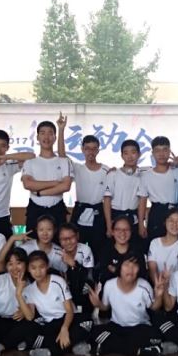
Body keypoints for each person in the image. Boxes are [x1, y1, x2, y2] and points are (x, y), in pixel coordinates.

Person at [85, 257, 165, 356]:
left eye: (135, 265)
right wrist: (98, 304)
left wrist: (159, 296)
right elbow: (105, 307)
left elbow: (154, 308)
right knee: (94, 333)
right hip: (117, 327)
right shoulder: (109, 285)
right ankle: (141, 351)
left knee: (155, 335)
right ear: (119, 267)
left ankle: (107, 348)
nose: (130, 269)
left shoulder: (144, 285)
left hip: (140, 327)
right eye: (126, 265)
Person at [57, 113, 109, 265]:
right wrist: (61, 130)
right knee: (74, 251)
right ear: (82, 150)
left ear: (98, 150)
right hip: (80, 215)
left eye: (94, 149)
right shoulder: (78, 168)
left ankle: (95, 278)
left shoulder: (107, 171)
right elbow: (62, 156)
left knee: (98, 253)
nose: (90, 152)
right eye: (87, 149)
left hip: (98, 217)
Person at [14, 251, 80, 356]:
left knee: (87, 323)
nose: (38, 272)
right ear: (28, 269)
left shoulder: (58, 281)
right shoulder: (29, 290)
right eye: (33, 268)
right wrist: (19, 295)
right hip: (50, 324)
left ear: (47, 266)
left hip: (68, 320)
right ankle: (70, 345)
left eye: (41, 267)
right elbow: (29, 317)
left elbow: (69, 310)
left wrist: (64, 329)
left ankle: (49, 351)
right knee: (28, 333)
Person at [21, 120, 73, 232]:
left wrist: (39, 193)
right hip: (35, 209)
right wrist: (55, 183)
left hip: (57, 209)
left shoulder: (64, 161)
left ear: (55, 138)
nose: (46, 137)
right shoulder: (30, 162)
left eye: (50, 133)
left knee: (59, 241)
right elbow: (28, 184)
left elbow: (65, 186)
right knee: (32, 241)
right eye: (43, 133)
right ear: (37, 137)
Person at [137, 136, 178, 242]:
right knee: (155, 243)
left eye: (165, 150)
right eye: (157, 150)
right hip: (156, 213)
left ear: (169, 151)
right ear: (152, 153)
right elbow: (142, 202)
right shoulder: (146, 176)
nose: (161, 154)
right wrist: (141, 225)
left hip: (176, 212)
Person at [103, 139, 144, 241]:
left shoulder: (143, 175)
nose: (130, 156)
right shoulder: (113, 174)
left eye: (133, 152)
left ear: (139, 154)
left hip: (133, 220)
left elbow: (142, 201)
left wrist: (141, 225)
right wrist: (109, 226)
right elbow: (107, 201)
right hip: (115, 220)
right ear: (122, 156)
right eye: (126, 153)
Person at [57, 223, 96, 317]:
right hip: (65, 287)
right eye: (64, 239)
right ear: (59, 240)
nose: (68, 242)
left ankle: (85, 314)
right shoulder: (57, 252)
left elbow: (89, 276)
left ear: (77, 236)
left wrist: (73, 263)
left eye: (71, 237)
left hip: (82, 286)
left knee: (87, 285)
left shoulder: (85, 249)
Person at [99, 216, 147, 285]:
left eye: (126, 229)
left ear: (131, 232)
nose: (122, 233)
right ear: (112, 232)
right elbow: (103, 277)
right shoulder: (106, 251)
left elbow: (142, 275)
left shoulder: (137, 252)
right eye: (118, 229)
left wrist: (116, 270)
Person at [147, 208, 178, 286]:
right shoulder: (155, 243)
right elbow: (152, 268)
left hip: (176, 288)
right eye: (171, 220)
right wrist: (159, 285)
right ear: (165, 222)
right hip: (157, 286)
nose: (174, 224)